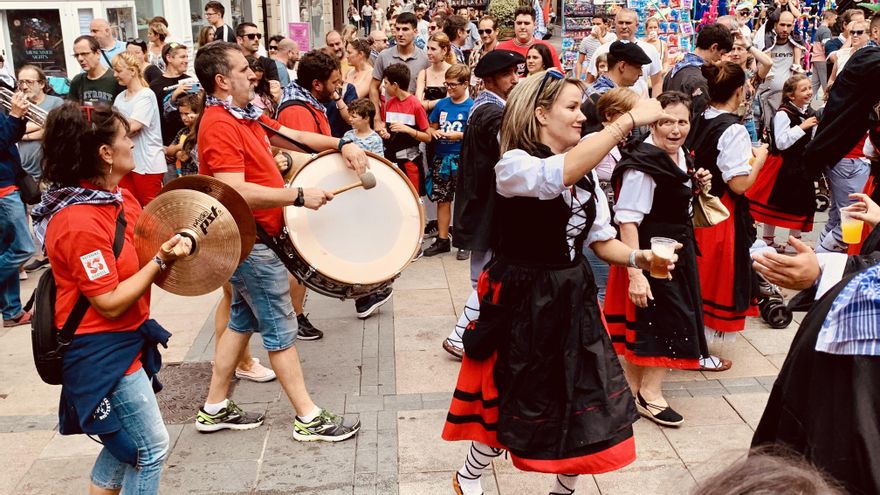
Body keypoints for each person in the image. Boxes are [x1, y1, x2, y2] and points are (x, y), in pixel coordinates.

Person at [442, 69, 669, 495]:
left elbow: (602, 242)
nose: (582, 116)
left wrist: (641, 257)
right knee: (514, 396)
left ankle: (563, 492)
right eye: (571, 107)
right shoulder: (514, 164)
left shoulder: (585, 177)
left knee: (582, 399)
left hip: (571, 295)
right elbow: (553, 177)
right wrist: (626, 121)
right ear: (541, 114)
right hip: (521, 297)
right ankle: (469, 477)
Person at [192, 41, 366, 439]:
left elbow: (289, 135)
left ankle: (214, 407)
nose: (252, 75)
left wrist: (344, 143)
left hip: (256, 237)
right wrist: (298, 195)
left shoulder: (244, 114)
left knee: (241, 321)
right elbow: (235, 190)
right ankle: (308, 417)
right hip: (251, 240)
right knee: (281, 329)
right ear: (221, 80)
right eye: (241, 70)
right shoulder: (219, 124)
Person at [33, 101, 192, 494]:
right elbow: (108, 301)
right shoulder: (77, 220)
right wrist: (160, 259)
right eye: (126, 137)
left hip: (127, 337)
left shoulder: (119, 198)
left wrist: (181, 241)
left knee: (126, 450)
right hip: (99, 349)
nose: (133, 143)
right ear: (105, 153)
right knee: (151, 448)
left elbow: (146, 255)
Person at [604, 91, 713, 427]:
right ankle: (650, 395)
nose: (675, 129)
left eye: (682, 121)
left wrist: (697, 183)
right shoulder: (643, 165)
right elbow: (627, 220)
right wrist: (637, 274)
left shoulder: (680, 156)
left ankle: (634, 391)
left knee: (652, 322)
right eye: (666, 121)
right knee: (667, 322)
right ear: (653, 122)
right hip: (652, 256)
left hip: (674, 252)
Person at [444, 49, 523, 359]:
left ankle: (475, 333)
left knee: (487, 273)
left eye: (516, 73)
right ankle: (460, 335)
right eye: (509, 75)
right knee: (489, 274)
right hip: (487, 207)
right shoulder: (492, 113)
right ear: (490, 79)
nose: (515, 79)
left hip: (482, 206)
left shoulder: (486, 107)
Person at [688, 62, 768, 366]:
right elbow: (739, 185)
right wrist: (760, 158)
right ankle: (698, 351)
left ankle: (693, 345)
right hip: (718, 213)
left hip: (698, 209)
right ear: (738, 91)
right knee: (712, 278)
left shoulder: (700, 118)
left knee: (698, 275)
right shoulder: (732, 129)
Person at [747, 73, 817, 251]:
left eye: (809, 88)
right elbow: (781, 142)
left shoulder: (807, 113)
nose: (809, 92)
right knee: (774, 201)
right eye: (804, 89)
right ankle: (768, 239)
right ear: (791, 95)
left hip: (800, 165)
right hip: (782, 165)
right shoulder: (783, 114)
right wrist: (802, 127)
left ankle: (794, 240)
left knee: (799, 202)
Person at [423, 64, 473, 258]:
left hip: (461, 158)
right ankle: (443, 239)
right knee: (443, 200)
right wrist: (433, 132)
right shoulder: (442, 104)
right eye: (447, 84)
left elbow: (474, 135)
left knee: (463, 201)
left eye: (453, 85)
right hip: (441, 158)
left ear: (465, 84)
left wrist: (458, 136)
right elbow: (430, 127)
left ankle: (464, 241)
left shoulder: (471, 106)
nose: (449, 88)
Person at [112, 52, 166, 207]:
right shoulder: (120, 97)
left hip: (148, 162)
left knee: (152, 210)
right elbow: (120, 126)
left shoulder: (146, 94)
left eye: (118, 70)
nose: (115, 75)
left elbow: (134, 125)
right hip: (126, 160)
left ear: (132, 71)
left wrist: (120, 128)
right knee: (128, 207)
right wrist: (122, 128)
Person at [0, 90, 33, 327]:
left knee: (8, 250)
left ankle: (12, 311)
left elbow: (10, 138)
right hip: (2, 189)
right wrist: (14, 116)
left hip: (9, 182)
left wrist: (19, 119)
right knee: (23, 248)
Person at [371, 12, 430, 134]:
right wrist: (376, 118)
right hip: (391, 119)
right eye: (397, 29)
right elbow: (373, 87)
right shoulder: (384, 56)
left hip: (416, 121)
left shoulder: (425, 59)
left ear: (415, 32)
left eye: (405, 29)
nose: (400, 34)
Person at [378, 63, 432, 197]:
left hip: (410, 161)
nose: (383, 86)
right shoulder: (389, 103)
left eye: (386, 83)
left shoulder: (415, 105)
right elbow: (389, 131)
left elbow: (428, 137)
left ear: (395, 85)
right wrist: (385, 133)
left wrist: (408, 129)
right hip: (392, 161)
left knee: (413, 198)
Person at [663, 23, 733, 119]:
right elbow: (699, 122)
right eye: (721, 54)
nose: (720, 59)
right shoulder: (698, 80)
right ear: (714, 47)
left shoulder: (673, 72)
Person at [586, 9, 663, 96]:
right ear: (615, 24)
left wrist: (655, 104)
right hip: (610, 105)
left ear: (636, 25)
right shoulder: (602, 50)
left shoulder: (649, 50)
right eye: (620, 23)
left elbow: (657, 83)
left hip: (641, 106)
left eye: (628, 23)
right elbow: (589, 82)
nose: (624, 26)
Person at [756, 11, 804, 132]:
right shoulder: (765, 42)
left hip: (786, 98)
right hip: (765, 97)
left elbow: (798, 69)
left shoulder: (794, 44)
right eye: (782, 25)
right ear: (775, 24)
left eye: (789, 25)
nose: (785, 29)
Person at [16, 65, 63, 182]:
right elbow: (10, 130)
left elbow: (53, 131)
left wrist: (21, 135)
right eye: (21, 82)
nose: (24, 87)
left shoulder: (56, 102)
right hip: (24, 174)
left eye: (29, 82)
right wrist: (43, 124)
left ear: (41, 84)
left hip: (49, 173)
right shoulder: (17, 105)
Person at [149, 42, 192, 165]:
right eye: (182, 57)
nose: (186, 60)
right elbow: (153, 119)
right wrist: (161, 147)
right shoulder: (156, 85)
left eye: (187, 57)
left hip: (189, 145)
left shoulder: (190, 81)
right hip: (166, 146)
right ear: (169, 58)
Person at [726, 35, 773, 144]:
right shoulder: (723, 73)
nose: (735, 53)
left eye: (740, 49)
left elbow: (768, 63)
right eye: (732, 49)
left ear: (748, 53)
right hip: (727, 122)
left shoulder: (752, 76)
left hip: (747, 124)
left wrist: (748, 45)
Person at [495, 6, 563, 78]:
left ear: (534, 25)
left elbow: (559, 77)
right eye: (519, 23)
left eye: (527, 23)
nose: (522, 27)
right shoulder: (501, 49)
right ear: (514, 24)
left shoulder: (546, 48)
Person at [68, 36, 123, 106]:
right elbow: (71, 111)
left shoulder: (115, 78)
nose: (80, 59)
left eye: (84, 54)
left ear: (98, 53)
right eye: (76, 55)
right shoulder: (77, 81)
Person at [166, 92, 202, 177]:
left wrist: (178, 151)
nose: (183, 118)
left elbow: (183, 157)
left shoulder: (200, 131)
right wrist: (179, 147)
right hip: (183, 175)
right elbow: (169, 151)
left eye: (186, 114)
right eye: (181, 114)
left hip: (197, 176)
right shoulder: (183, 131)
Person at [416, 32, 453, 114]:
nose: (428, 52)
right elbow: (418, 105)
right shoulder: (423, 73)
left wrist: (427, 104)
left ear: (444, 50)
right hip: (427, 120)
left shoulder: (453, 71)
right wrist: (442, 101)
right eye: (428, 48)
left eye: (433, 49)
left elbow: (451, 102)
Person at [827, 20, 870, 89]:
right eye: (852, 32)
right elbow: (832, 79)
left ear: (869, 35)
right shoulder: (841, 53)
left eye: (859, 32)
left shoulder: (872, 56)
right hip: (839, 97)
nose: (855, 35)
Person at [575, 14, 615, 81]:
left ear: (605, 25)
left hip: (608, 72)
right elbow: (579, 62)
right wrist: (578, 79)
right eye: (594, 24)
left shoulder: (612, 37)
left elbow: (610, 50)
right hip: (592, 75)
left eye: (598, 24)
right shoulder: (586, 40)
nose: (595, 26)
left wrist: (599, 37)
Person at [467, 15, 498, 95]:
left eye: (488, 31)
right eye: (481, 31)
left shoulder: (501, 53)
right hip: (474, 100)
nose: (484, 35)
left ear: (496, 31)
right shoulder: (474, 53)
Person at [811, 10, 837, 97]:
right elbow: (826, 45)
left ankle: (808, 106)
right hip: (822, 59)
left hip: (815, 58)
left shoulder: (820, 28)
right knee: (826, 84)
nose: (835, 21)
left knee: (814, 84)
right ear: (829, 18)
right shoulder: (826, 31)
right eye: (834, 19)